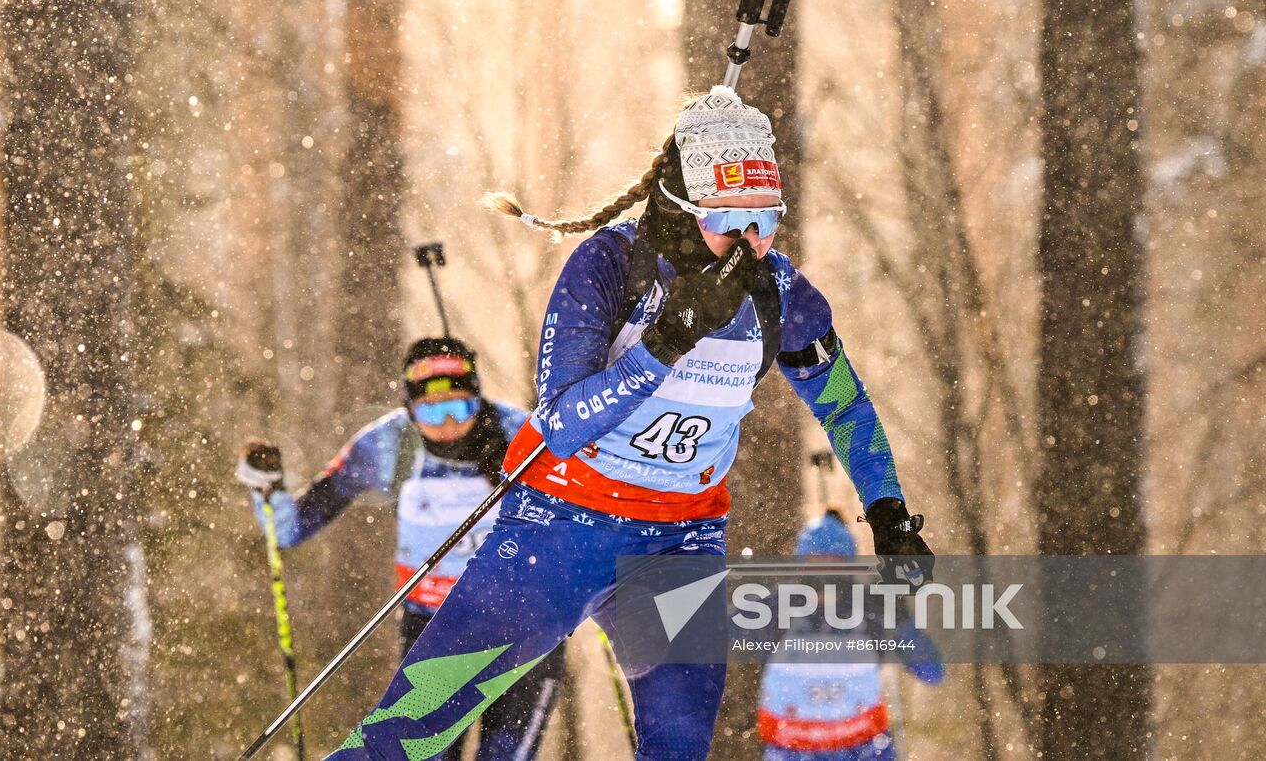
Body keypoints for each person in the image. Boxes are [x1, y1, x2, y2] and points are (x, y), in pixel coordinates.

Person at [328, 86, 933, 760]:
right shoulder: (610, 265)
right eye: (730, 222)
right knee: (406, 734)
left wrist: (889, 514)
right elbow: (560, 424)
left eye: (767, 219)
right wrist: (667, 341)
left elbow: (843, 404)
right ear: (681, 207)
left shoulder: (777, 289)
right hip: (560, 527)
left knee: (676, 748)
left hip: (679, 543)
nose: (751, 242)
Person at [237, 336, 565, 761]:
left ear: (478, 396)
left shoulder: (521, 434)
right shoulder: (387, 445)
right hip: (435, 630)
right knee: (425, 755)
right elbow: (291, 529)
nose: (447, 422)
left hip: (524, 626)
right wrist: (267, 488)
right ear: (410, 408)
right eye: (431, 410)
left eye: (460, 407)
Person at [757, 511, 943, 761]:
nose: (823, 574)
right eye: (814, 562)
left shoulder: (872, 605)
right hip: (793, 749)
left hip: (863, 748)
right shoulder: (774, 609)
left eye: (832, 561)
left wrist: (903, 624)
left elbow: (932, 671)